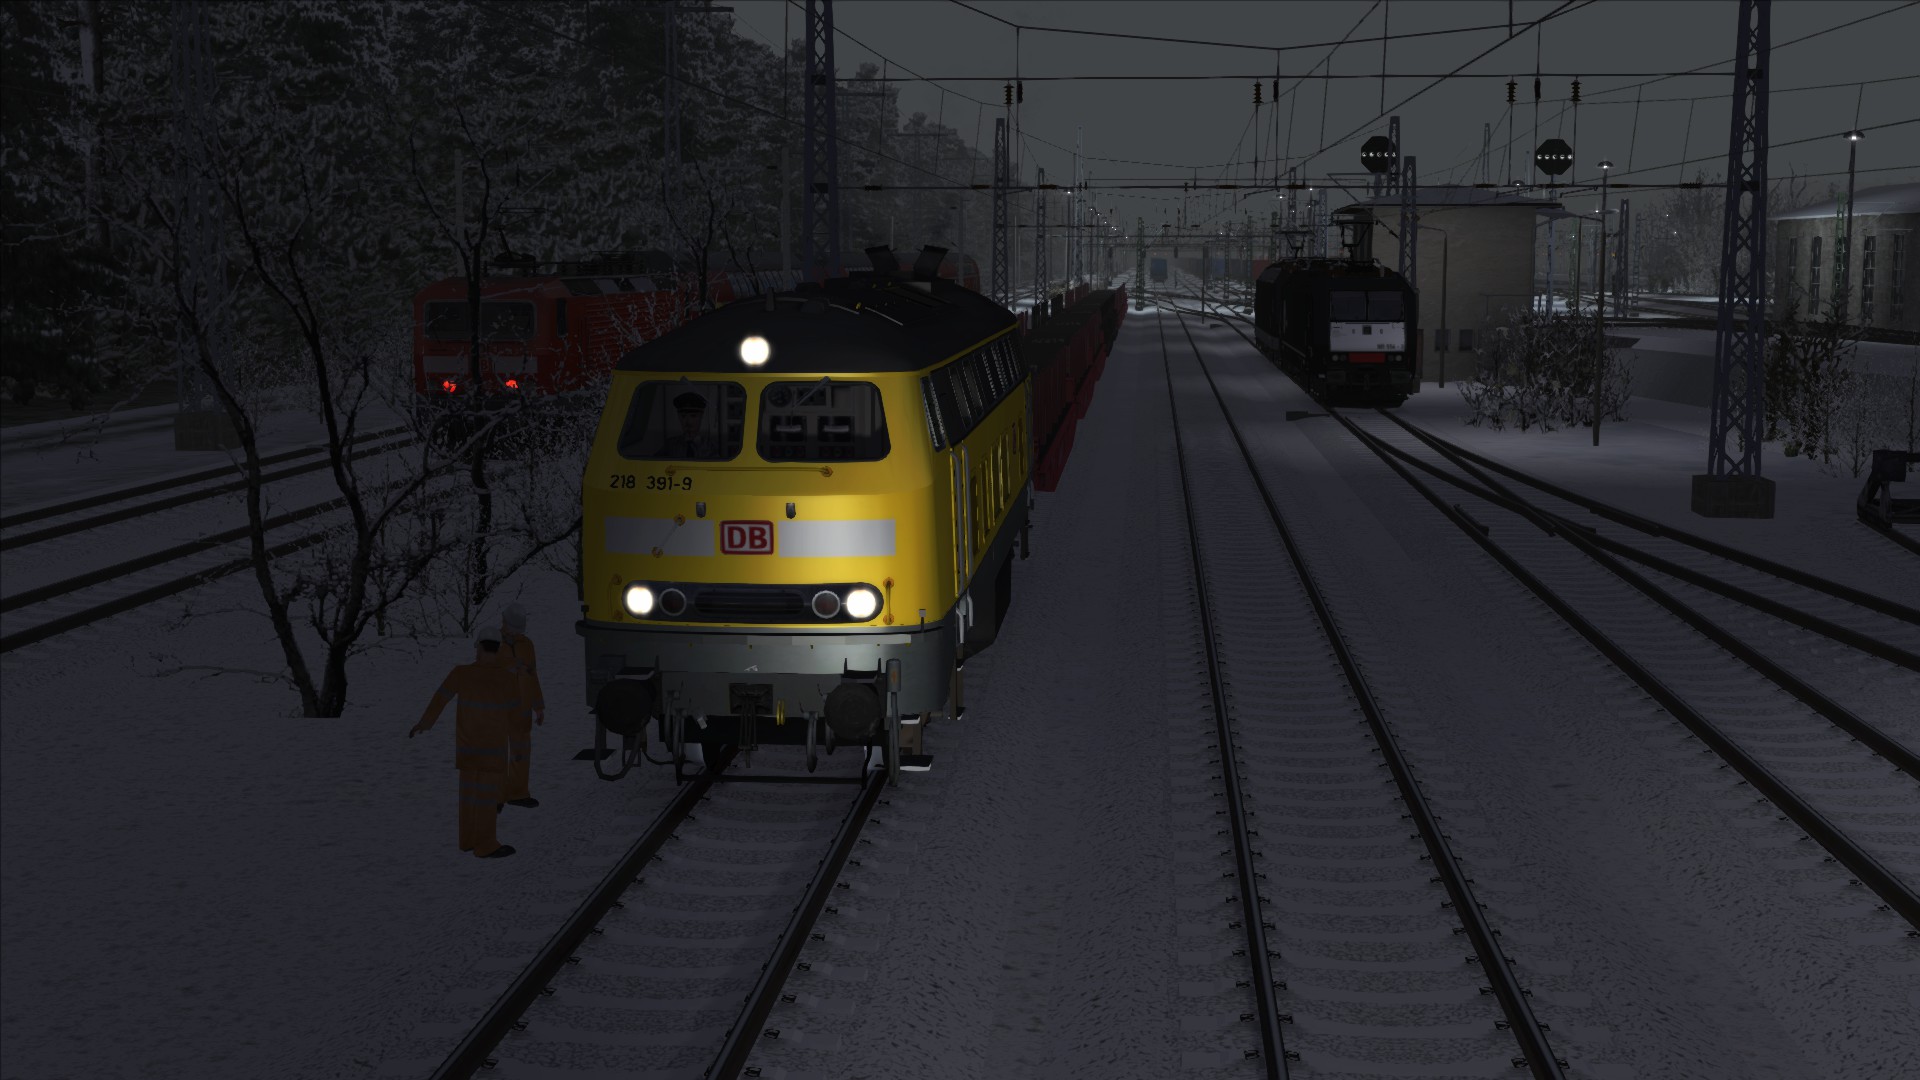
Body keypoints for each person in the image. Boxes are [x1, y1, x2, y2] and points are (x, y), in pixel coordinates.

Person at [410, 637, 522, 859]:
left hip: (468, 750)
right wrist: (517, 748)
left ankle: (468, 841)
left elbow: (440, 698)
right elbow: (515, 717)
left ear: (480, 649)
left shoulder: (461, 673)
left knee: (468, 798)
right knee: (486, 800)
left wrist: (425, 723)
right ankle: (486, 845)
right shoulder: (508, 679)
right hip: (493, 752)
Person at [499, 603, 545, 809]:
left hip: (522, 708)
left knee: (520, 753)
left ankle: (517, 793)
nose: (515, 633)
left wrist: (538, 706)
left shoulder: (527, 645)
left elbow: (533, 676)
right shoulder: (493, 643)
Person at [662, 391, 717, 458]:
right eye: (683, 416)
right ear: (679, 417)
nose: (689, 422)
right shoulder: (670, 446)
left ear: (701, 416)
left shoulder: (710, 447)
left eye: (693, 416)